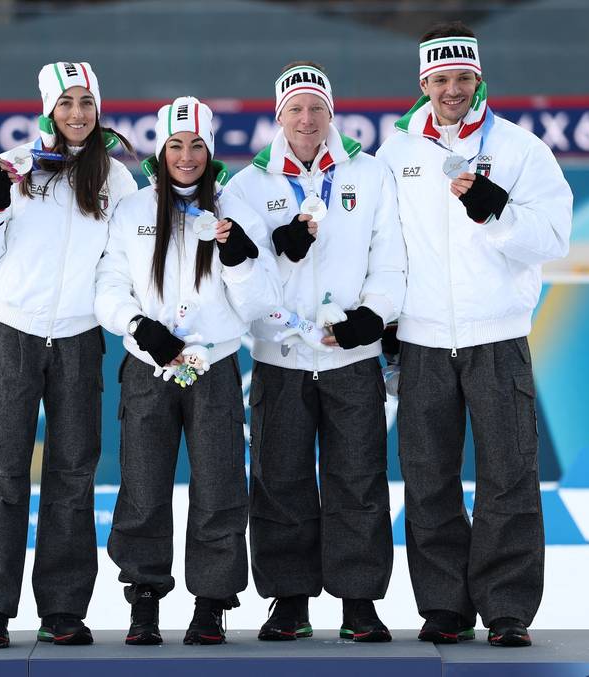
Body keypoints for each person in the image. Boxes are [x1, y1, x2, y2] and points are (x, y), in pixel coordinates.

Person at [376, 21, 573, 647]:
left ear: (479, 79)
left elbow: (554, 238)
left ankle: (507, 607)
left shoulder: (521, 149)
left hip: (497, 334)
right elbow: (380, 247)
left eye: (464, 78)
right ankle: (444, 607)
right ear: (423, 82)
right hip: (423, 339)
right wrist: (385, 325)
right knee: (428, 476)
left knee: (509, 474)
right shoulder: (396, 152)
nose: (453, 89)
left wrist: (498, 212)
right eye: (441, 78)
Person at [0, 61, 138, 649]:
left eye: (86, 103)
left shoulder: (118, 180)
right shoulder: (11, 166)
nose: (77, 114)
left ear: (98, 108)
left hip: (81, 339)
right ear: (48, 110)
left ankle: (62, 608)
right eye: (66, 104)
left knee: (74, 474)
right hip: (14, 331)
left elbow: (119, 265)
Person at [226, 62, 406, 642]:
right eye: (295, 109)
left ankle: (358, 601)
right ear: (278, 116)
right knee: (280, 479)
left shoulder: (370, 174)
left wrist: (372, 318)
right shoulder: (248, 185)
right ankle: (289, 600)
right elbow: (240, 275)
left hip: (351, 358)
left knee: (358, 478)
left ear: (333, 112)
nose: (307, 119)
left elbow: (391, 257)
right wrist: (279, 252)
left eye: (316, 107)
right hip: (281, 360)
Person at [94, 96, 282, 646]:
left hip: (215, 367)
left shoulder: (233, 208)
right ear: (160, 149)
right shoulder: (131, 211)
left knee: (221, 486)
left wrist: (240, 259)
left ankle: (211, 602)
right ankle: (145, 599)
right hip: (150, 368)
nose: (186, 156)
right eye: (175, 144)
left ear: (210, 149)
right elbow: (108, 286)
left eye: (197, 145)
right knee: (143, 486)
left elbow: (256, 302)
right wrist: (137, 327)